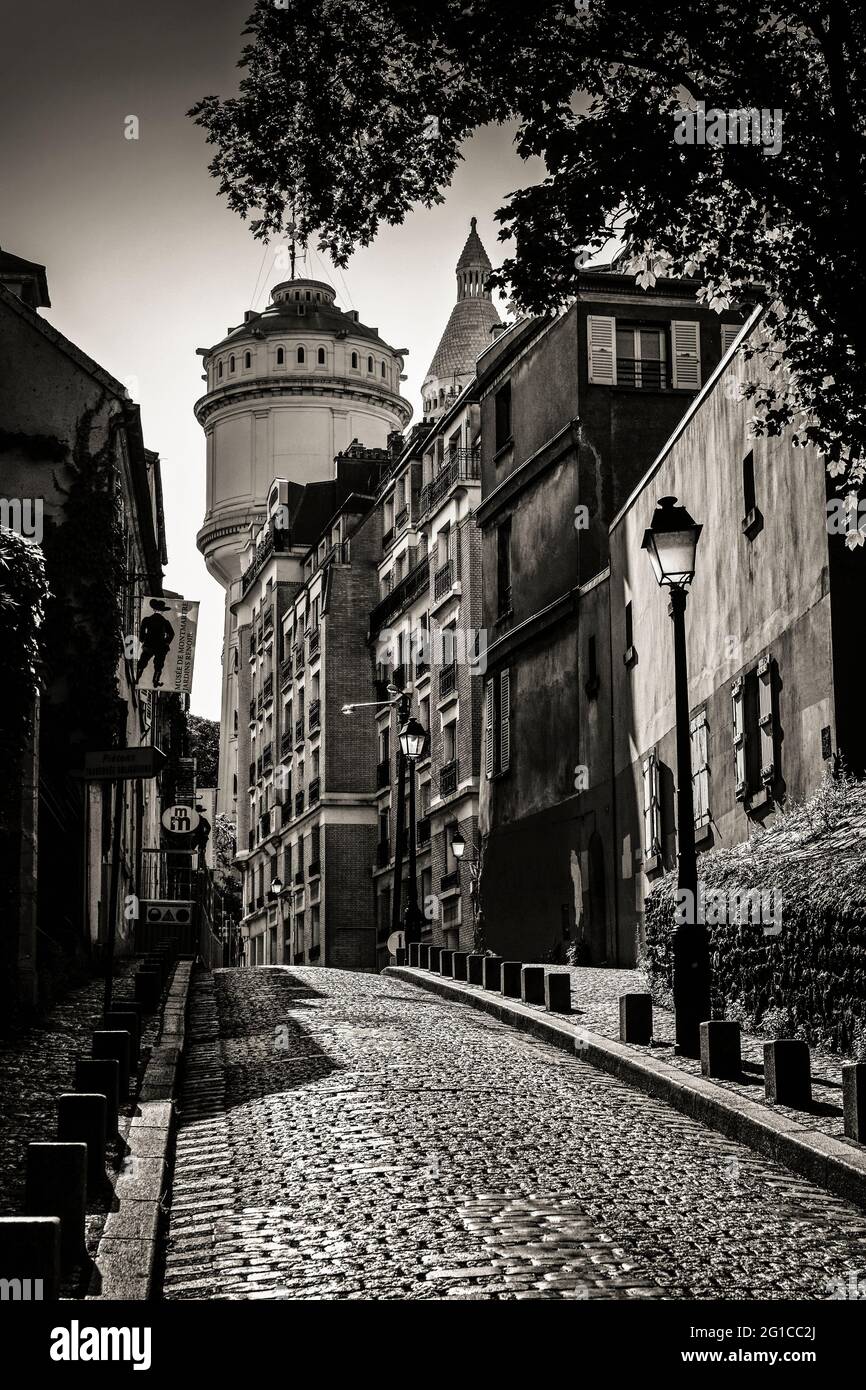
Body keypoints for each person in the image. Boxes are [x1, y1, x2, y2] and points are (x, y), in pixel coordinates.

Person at [136, 599, 175, 688]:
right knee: (158, 665)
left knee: (143, 661)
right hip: (159, 647)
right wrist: (166, 643)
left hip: (150, 645)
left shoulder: (147, 619)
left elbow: (142, 631)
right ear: (162, 611)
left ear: (154, 610)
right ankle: (155, 681)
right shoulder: (165, 622)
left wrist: (143, 639)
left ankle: (138, 678)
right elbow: (171, 634)